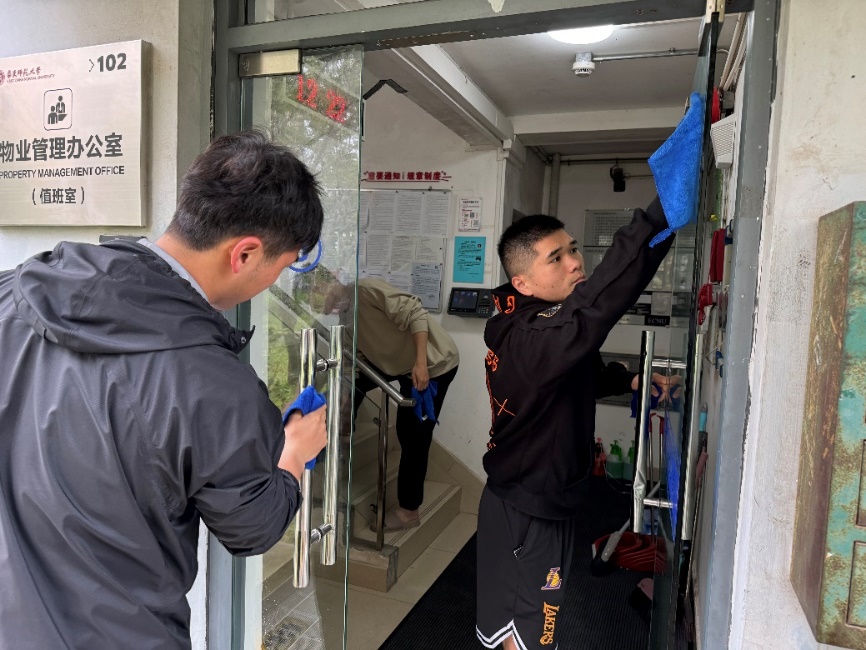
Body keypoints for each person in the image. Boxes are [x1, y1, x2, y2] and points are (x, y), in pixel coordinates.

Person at [0, 129, 328, 649]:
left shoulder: (14, 292)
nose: (274, 281)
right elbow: (252, 526)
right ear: (245, 253)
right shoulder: (212, 384)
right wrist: (292, 454)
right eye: (283, 266)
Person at [476, 203, 679, 650]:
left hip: (525, 495)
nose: (574, 262)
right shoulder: (535, 335)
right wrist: (656, 220)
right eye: (556, 258)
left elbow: (572, 370)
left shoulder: (529, 324)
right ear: (522, 282)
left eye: (573, 249)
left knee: (511, 628)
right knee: (530, 635)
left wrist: (629, 380)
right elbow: (593, 310)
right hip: (531, 509)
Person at [326, 277, 459, 531]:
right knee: (352, 383)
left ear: (329, 281)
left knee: (413, 434)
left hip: (432, 365)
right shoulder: (345, 316)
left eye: (315, 292)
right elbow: (355, 359)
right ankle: (343, 430)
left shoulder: (365, 290)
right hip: (398, 364)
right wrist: (344, 401)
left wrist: (420, 363)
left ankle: (409, 511)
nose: (314, 303)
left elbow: (415, 312)